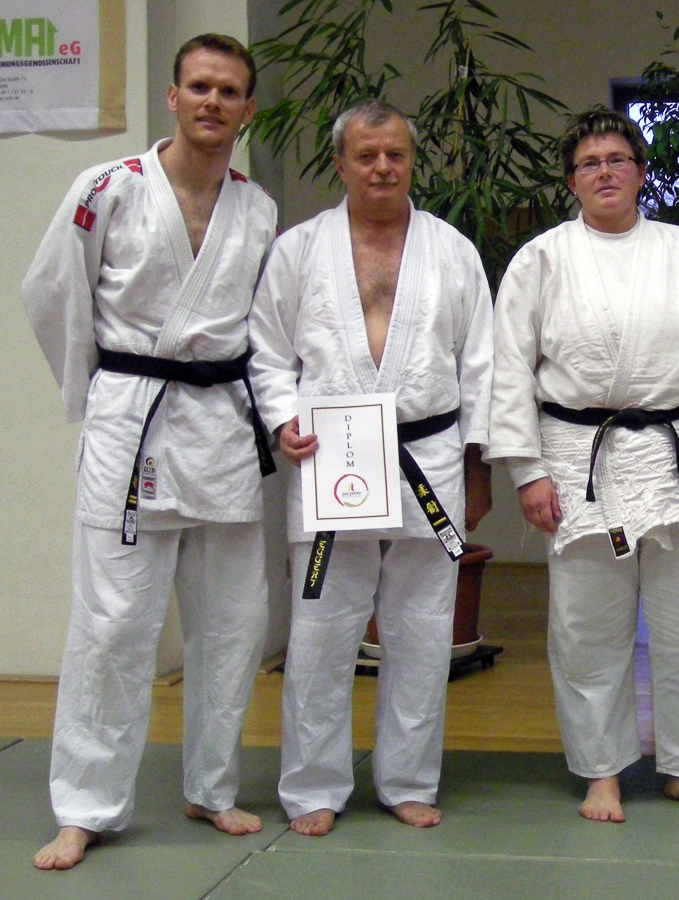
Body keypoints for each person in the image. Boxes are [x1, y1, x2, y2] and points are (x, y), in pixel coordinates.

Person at [22, 34, 278, 870]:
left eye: (229, 91)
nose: (212, 101)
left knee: (232, 624)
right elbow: (51, 291)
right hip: (132, 420)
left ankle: (212, 786)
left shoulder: (258, 207)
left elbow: (267, 329)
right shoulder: (107, 188)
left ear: (247, 109)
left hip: (223, 427)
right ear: (172, 96)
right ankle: (85, 806)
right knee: (112, 625)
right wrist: (96, 392)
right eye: (199, 86)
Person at [488, 108, 679, 823]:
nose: (604, 173)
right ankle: (601, 769)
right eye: (588, 163)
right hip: (578, 456)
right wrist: (527, 471)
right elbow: (508, 370)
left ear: (640, 171)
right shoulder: (540, 260)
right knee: (586, 626)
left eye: (617, 159)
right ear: (571, 180)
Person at [246, 99, 493, 836]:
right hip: (333, 456)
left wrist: (478, 464)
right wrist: (282, 419)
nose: (382, 168)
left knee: (422, 627)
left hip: (430, 452)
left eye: (395, 155)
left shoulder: (452, 250)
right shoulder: (299, 250)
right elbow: (267, 351)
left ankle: (408, 780)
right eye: (366, 156)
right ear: (341, 163)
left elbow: (481, 365)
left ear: (412, 162)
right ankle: (312, 787)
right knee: (322, 627)